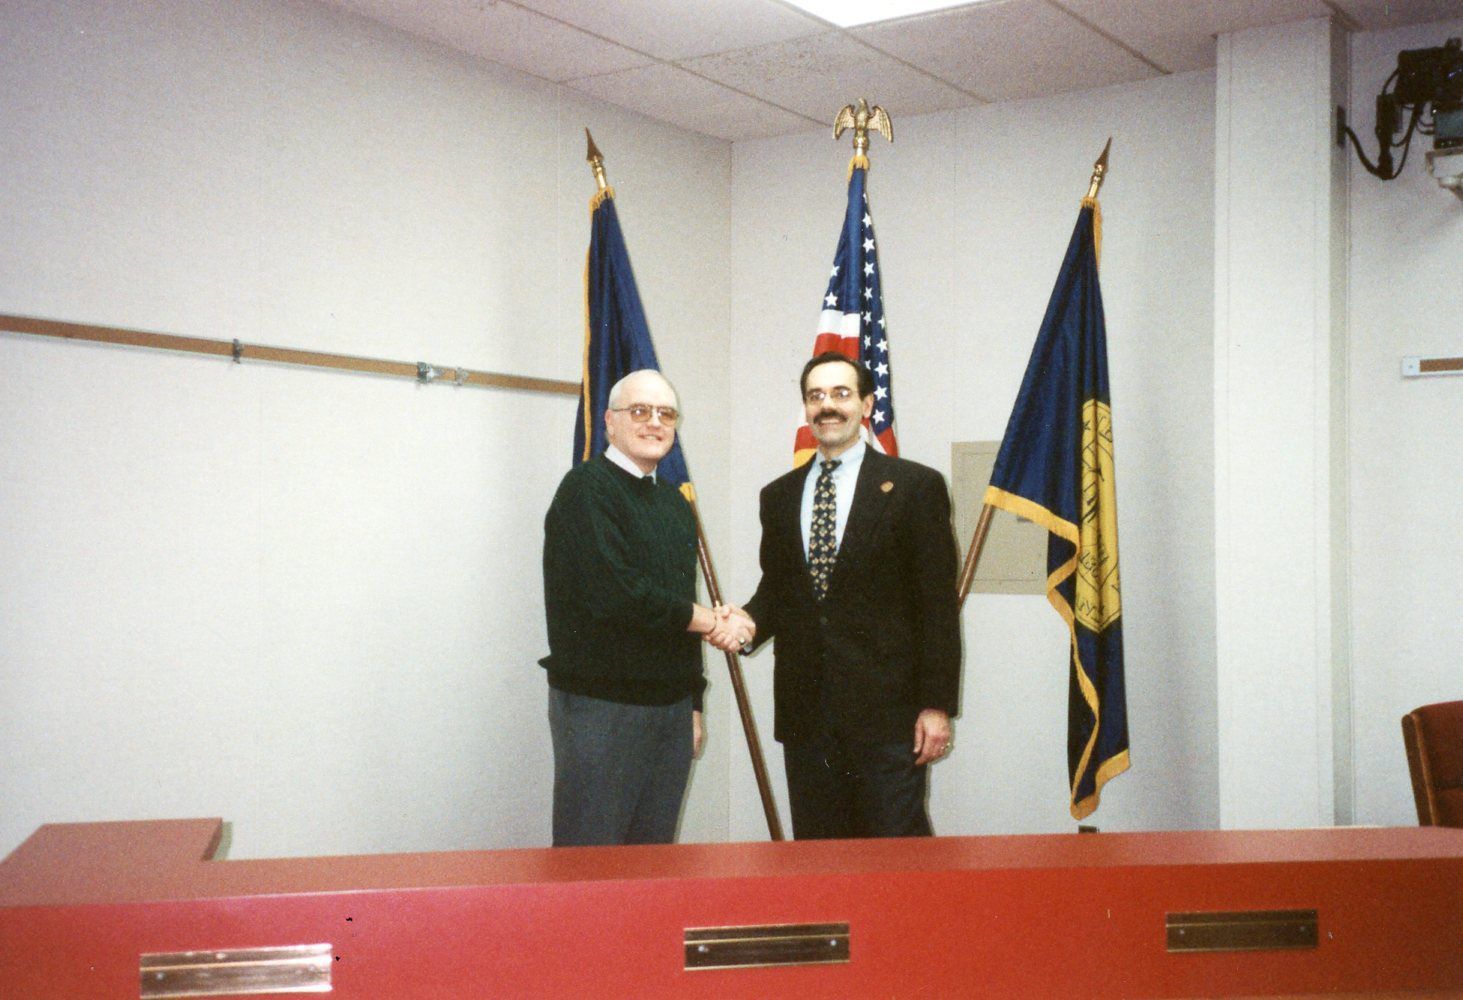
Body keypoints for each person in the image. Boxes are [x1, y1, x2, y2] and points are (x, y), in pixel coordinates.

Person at [731, 351, 961, 839]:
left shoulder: (915, 487)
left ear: (866, 404)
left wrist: (936, 706)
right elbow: (780, 590)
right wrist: (745, 624)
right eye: (816, 396)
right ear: (805, 408)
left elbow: (937, 608)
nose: (827, 406)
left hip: (889, 721)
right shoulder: (778, 496)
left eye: (840, 393)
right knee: (818, 863)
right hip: (806, 721)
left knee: (894, 863)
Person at [540, 369, 742, 846]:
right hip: (602, 710)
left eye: (666, 413)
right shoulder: (586, 489)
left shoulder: (673, 503)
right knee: (592, 861)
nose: (654, 422)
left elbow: (679, 605)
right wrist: (710, 620)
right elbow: (617, 594)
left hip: (670, 712)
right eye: (640, 411)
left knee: (653, 862)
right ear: (610, 422)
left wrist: (692, 702)